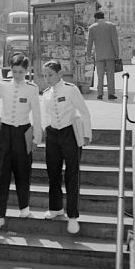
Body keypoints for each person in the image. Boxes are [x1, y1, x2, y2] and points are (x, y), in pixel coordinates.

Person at [0, 53, 42, 231]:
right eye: (14, 71)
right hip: (6, 131)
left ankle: (24, 207)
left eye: (21, 72)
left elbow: (37, 115)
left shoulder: (32, 89)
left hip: (24, 132)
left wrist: (37, 138)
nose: (17, 75)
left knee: (24, 171)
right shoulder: (3, 86)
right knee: (2, 173)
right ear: (10, 70)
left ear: (27, 71)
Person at [40, 60, 92, 234]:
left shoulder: (70, 89)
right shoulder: (46, 93)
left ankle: (73, 216)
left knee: (72, 175)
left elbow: (83, 111)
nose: (47, 79)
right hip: (53, 136)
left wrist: (86, 134)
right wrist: (44, 132)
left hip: (70, 134)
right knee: (53, 173)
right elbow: (45, 115)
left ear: (60, 74)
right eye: (45, 75)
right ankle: (55, 208)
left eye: (50, 75)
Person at [86, 11, 119, 100]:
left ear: (95, 18)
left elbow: (89, 43)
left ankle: (100, 94)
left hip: (99, 55)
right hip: (110, 54)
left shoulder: (92, 28)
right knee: (110, 75)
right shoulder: (111, 26)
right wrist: (117, 54)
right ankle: (111, 94)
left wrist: (88, 54)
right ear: (103, 17)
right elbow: (115, 41)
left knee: (100, 75)